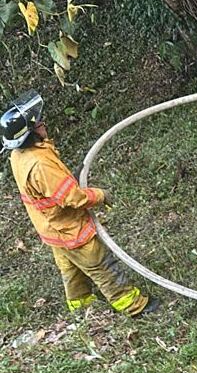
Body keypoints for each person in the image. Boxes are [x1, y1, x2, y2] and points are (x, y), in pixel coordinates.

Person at [3, 91, 156, 317]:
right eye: (39, 124)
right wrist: (99, 195)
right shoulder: (39, 163)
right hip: (69, 229)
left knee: (70, 269)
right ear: (30, 135)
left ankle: (82, 307)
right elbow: (72, 198)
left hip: (51, 230)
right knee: (101, 265)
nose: (44, 124)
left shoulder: (19, 155)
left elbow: (47, 189)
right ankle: (133, 306)